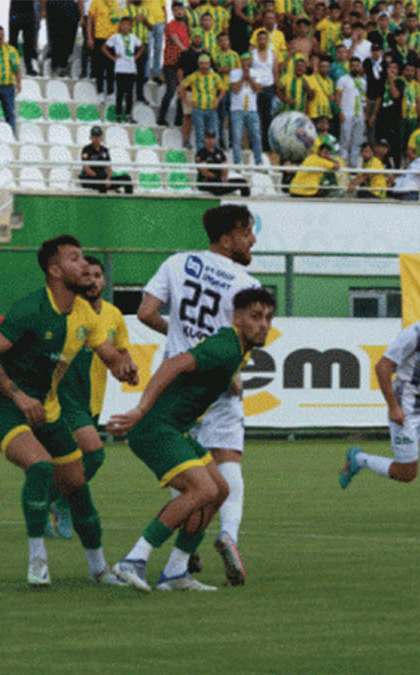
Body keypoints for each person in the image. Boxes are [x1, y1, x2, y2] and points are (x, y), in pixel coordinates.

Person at [0, 235, 138, 587]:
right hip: (1, 408)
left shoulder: (84, 314)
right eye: (75, 259)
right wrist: (18, 396)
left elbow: (109, 355)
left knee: (77, 484)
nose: (84, 266)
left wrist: (124, 367)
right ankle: (38, 562)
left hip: (46, 410)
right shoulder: (31, 308)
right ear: (54, 269)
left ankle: (99, 570)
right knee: (41, 466)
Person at [109, 287, 275, 592]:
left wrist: (229, 379)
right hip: (156, 427)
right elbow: (173, 364)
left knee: (219, 491)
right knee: (203, 488)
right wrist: (141, 409)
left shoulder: (237, 349)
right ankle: (134, 559)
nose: (263, 324)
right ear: (237, 318)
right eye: (255, 316)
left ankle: (175, 572)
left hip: (176, 428)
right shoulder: (227, 346)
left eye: (268, 317)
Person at [133, 206, 264, 588]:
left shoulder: (177, 262)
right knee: (227, 468)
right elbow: (239, 338)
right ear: (227, 238)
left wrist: (180, 337)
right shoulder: (245, 282)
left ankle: (183, 554)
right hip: (221, 383)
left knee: (188, 471)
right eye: (247, 232)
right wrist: (224, 364)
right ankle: (226, 536)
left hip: (174, 380)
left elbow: (144, 312)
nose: (252, 240)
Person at [338, 278, 420, 525]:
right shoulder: (414, 334)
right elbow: (382, 366)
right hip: (405, 408)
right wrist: (394, 407)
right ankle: (359, 459)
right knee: (406, 474)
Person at [47, 255, 132, 539]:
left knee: (67, 461)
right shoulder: (70, 311)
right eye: (86, 275)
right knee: (94, 455)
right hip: (65, 397)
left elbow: (121, 350)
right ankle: (62, 503)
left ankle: (44, 505)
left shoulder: (113, 314)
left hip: (93, 399)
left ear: (104, 280)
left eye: (97, 275)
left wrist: (128, 369)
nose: (93, 281)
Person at [105, 15, 145, 122]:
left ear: (130, 26)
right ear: (120, 26)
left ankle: (128, 115)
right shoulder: (116, 37)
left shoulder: (133, 37)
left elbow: (142, 47)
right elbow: (104, 48)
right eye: (123, 24)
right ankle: (118, 115)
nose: (125, 27)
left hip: (131, 69)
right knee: (120, 93)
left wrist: (136, 56)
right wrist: (113, 58)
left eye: (127, 25)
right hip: (120, 68)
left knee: (130, 93)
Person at [181, 53, 225, 150]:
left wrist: (218, 100)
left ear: (209, 64)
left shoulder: (215, 76)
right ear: (199, 65)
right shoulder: (194, 76)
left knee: (214, 134)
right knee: (200, 135)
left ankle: (214, 159)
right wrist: (186, 100)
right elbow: (181, 87)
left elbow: (223, 89)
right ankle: (201, 158)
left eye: (206, 63)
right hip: (198, 110)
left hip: (212, 110)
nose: (204, 66)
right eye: (202, 64)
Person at [228, 52, 264, 164]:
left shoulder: (257, 73)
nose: (246, 62)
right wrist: (244, 77)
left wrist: (250, 78)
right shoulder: (234, 72)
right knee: (237, 137)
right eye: (244, 60)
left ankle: (259, 162)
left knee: (256, 136)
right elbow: (234, 89)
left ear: (251, 61)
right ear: (241, 61)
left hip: (252, 110)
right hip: (237, 110)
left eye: (248, 60)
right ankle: (237, 162)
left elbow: (258, 89)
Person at [80, 126, 134, 193]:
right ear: (90, 137)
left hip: (104, 178)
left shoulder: (104, 150)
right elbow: (86, 169)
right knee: (102, 184)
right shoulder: (86, 150)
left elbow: (109, 168)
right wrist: (101, 178)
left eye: (98, 136)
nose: (96, 139)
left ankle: (128, 201)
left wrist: (108, 179)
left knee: (126, 179)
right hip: (91, 178)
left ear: (102, 138)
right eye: (94, 136)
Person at [337, 57, 369, 168]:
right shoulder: (343, 79)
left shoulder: (363, 82)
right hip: (347, 114)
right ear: (349, 66)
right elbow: (337, 97)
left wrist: (366, 114)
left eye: (357, 65)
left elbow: (364, 99)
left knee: (357, 142)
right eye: (353, 65)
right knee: (345, 141)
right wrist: (339, 112)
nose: (355, 68)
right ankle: (344, 166)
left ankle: (353, 167)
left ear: (360, 67)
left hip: (359, 114)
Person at [196, 131, 251, 195]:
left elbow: (224, 166)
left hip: (220, 180)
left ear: (215, 139)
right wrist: (217, 178)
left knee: (243, 183)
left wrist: (224, 178)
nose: (210, 141)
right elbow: (204, 171)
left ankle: (245, 202)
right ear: (205, 139)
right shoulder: (201, 153)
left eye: (212, 138)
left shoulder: (219, 152)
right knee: (219, 188)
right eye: (208, 138)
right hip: (207, 181)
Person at [373, 60, 404, 164]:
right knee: (381, 143)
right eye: (390, 67)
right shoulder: (382, 81)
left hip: (394, 117)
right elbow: (379, 98)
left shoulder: (400, 81)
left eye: (394, 68)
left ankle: (397, 168)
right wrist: (373, 114)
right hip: (382, 116)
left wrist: (391, 81)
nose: (392, 70)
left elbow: (396, 95)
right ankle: (385, 166)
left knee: (395, 144)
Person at [88, 0, 121, 96]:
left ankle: (110, 92)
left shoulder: (115, 4)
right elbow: (90, 20)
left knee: (111, 66)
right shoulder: (96, 2)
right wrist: (90, 37)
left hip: (113, 40)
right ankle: (100, 90)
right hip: (100, 38)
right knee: (99, 66)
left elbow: (117, 24)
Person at [45, 0, 84, 77]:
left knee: (69, 38)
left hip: (71, 6)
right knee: (55, 36)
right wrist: (43, 9)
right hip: (55, 5)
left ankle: (63, 66)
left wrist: (82, 15)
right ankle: (54, 66)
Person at [9, 0, 41, 76]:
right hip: (16, 11)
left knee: (28, 43)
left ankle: (29, 68)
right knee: (13, 41)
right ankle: (12, 65)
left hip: (29, 13)